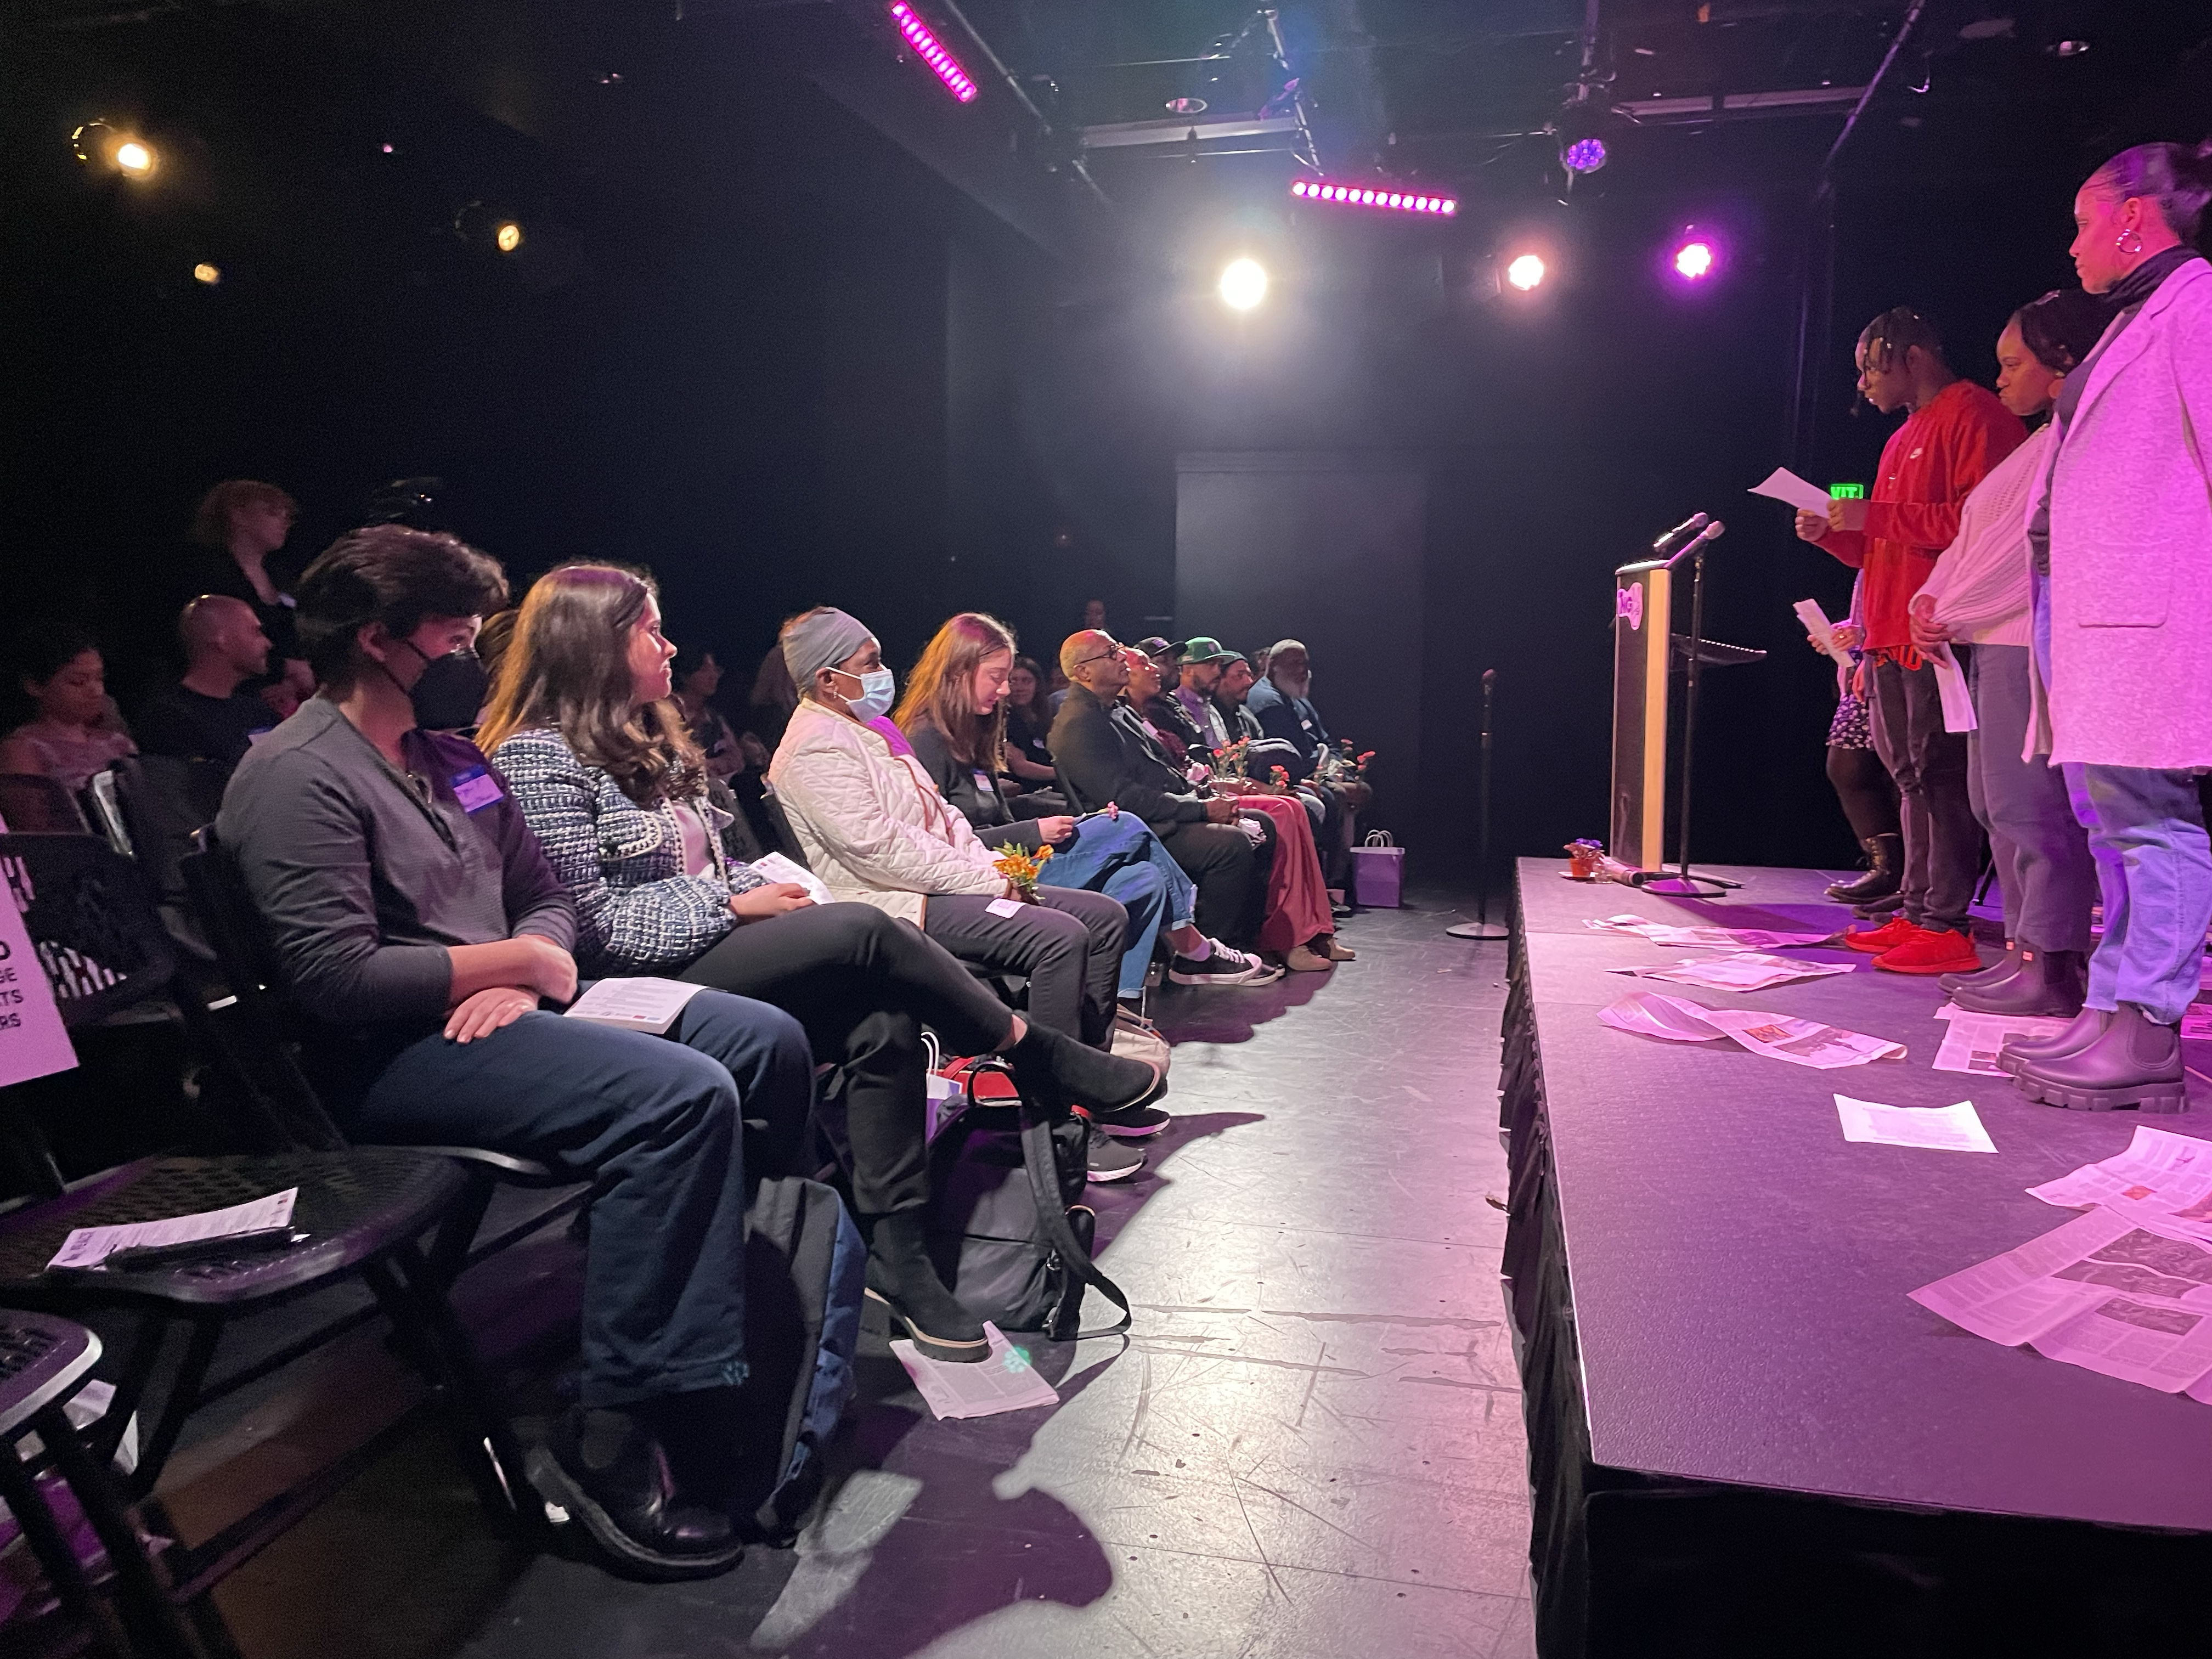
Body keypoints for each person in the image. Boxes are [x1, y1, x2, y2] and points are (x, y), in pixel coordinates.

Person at [216, 524, 812, 1577]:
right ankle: (611, 1432)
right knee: (679, 1099)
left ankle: (715, 1323)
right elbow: (334, 976)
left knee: (759, 1038)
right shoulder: (295, 774)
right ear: (375, 640)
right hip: (393, 1051)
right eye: (451, 635)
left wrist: (528, 956)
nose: (469, 657)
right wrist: (509, 967)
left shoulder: (455, 762)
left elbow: (545, 891)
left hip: (507, 1006)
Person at [480, 568, 1166, 1360]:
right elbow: (593, 927)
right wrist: (733, 906)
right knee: (863, 933)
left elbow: (719, 866)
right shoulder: (540, 758)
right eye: (651, 632)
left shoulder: (654, 742)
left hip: (721, 943)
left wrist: (755, 889)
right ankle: (1037, 1053)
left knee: (885, 1020)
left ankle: (898, 1250)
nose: (670, 647)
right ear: (592, 646)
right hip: (640, 979)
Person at [765, 608, 1161, 1181]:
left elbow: (944, 819)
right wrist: (990, 881)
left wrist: (997, 869)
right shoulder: (813, 747)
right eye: (869, 663)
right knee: (1060, 936)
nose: (883, 673)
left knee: (1102, 917)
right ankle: (1054, 1128)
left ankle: (1089, 1090)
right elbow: (879, 848)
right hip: (893, 904)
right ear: (827, 678)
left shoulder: (872, 730)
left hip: (940, 884)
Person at [2002, 140, 2212, 1112]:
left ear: (2134, 217)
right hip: (2090, 613)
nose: (2074, 244)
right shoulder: (2129, 320)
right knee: (2107, 816)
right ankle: (2116, 999)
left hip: (2146, 617)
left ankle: (2148, 1026)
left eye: (2086, 221)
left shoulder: (2195, 303)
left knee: (2151, 820)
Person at [1795, 307, 2026, 975]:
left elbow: (1981, 524)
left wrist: (1875, 516)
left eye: (1871, 365)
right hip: (1890, 633)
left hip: (1940, 631)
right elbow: (1884, 546)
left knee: (1940, 777)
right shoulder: (1901, 437)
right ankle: (1919, 908)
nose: (1864, 383)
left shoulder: (1976, 416)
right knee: (1909, 777)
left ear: (1914, 355)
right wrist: (1837, 534)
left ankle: (1946, 923)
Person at [897, 613, 1276, 1018]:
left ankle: (1116, 1011)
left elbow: (992, 814)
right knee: (1127, 826)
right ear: (958, 671)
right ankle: (1193, 949)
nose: (1006, 689)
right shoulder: (927, 741)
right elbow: (939, 845)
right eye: (997, 676)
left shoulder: (970, 731)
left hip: (1015, 858)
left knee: (1142, 879)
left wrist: (1071, 820)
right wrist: (1035, 829)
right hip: (984, 876)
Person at [1907, 289, 2113, 1014]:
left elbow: (2020, 558)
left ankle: (2051, 965)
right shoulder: (2039, 439)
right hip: (1991, 641)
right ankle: (2027, 952)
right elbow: (1973, 544)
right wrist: (1928, 600)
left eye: (2012, 362)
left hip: (2025, 643)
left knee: (2031, 812)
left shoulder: (2071, 438)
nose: (2001, 378)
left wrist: (1947, 610)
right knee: (1994, 805)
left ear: (2060, 364)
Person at [1050, 630, 1285, 978]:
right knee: (1229, 845)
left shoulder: (1117, 709)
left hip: (1160, 812)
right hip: (1130, 831)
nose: (1121, 657)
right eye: (1111, 653)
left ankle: (1242, 942)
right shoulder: (1079, 724)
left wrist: (1203, 797)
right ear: (1083, 672)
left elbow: (1161, 770)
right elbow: (1125, 799)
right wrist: (1201, 810)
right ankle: (1199, 958)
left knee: (1260, 824)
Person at [1123, 645, 1345, 972]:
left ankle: (1313, 929)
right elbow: (1174, 774)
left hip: (1202, 790)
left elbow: (1194, 765)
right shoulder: (1149, 714)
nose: (1159, 668)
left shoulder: (1167, 710)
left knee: (1293, 807)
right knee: (1282, 812)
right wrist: (1214, 793)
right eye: (1150, 663)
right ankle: (1283, 937)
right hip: (1184, 805)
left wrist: (1222, 784)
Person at [183, 479, 314, 708]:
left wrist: (297, 681)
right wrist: (285, 669)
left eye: (288, 515)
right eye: (273, 512)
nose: (285, 521)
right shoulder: (206, 576)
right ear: (238, 515)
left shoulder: (284, 577)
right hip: (233, 698)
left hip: (293, 696)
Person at [1812, 578, 1901, 907]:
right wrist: (1849, 632)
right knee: (1848, 767)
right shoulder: (1871, 553)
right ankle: (1887, 867)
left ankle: (1911, 880)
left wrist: (1870, 650)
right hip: (1868, 659)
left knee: (1903, 773)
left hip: (1895, 657)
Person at [133, 596, 278, 780]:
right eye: (256, 632)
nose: (268, 644)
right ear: (221, 640)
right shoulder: (170, 721)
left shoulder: (259, 713)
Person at [1, 627, 136, 794]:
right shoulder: (24, 750)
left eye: (99, 679)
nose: (96, 691)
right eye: (78, 681)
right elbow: (32, 816)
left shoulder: (118, 744)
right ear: (34, 686)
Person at [999, 654, 1058, 789]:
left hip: (1050, 789)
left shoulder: (1042, 718)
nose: (1019, 688)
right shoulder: (1003, 721)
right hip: (1023, 793)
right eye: (1013, 681)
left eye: (1027, 681)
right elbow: (1021, 768)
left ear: (1037, 685)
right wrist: (1064, 774)